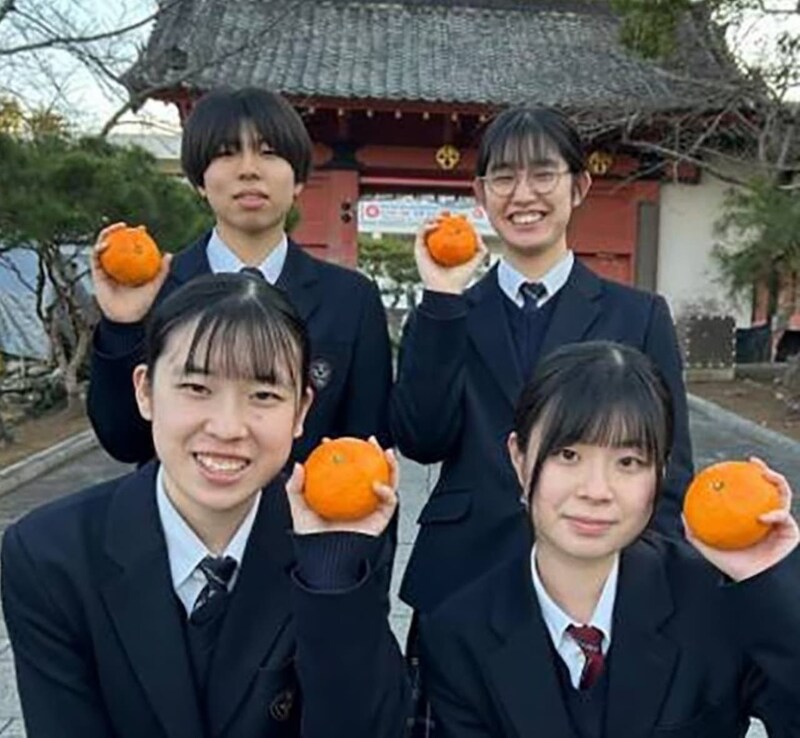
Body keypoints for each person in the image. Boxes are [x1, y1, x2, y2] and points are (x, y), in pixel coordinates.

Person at [2, 273, 408, 738]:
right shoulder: (50, 555)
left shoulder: (334, 544)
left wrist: (330, 574)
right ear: (145, 391)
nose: (228, 427)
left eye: (264, 395)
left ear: (300, 412)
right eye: (196, 388)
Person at [392, 106, 693, 613]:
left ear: (578, 186)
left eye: (543, 174)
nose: (523, 194)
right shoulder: (446, 312)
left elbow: (670, 467)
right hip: (463, 572)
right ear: (481, 193)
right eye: (504, 177)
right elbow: (422, 440)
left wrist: (657, 586)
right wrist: (441, 299)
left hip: (596, 575)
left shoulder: (638, 316)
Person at [418, 341, 800, 737]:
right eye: (568, 455)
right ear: (520, 458)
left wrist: (774, 581)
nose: (596, 491)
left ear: (660, 473)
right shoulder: (458, 633)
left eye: (628, 462)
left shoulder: (715, 602)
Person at [87, 86, 392, 466]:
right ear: (200, 181)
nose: (249, 169)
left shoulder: (350, 299)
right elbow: (124, 442)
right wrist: (122, 325)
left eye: (269, 152)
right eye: (226, 153)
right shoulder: (155, 289)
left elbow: (367, 445)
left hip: (300, 504)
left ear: (298, 179)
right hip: (179, 505)